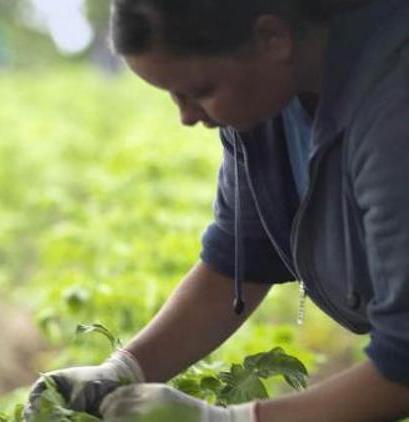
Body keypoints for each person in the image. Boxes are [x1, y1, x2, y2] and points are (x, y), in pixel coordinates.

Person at [25, 0, 409, 420]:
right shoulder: (266, 102)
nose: (187, 116)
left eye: (200, 91)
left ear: (272, 39)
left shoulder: (394, 107)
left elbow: (403, 365)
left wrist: (225, 419)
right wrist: (125, 369)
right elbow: (240, 256)